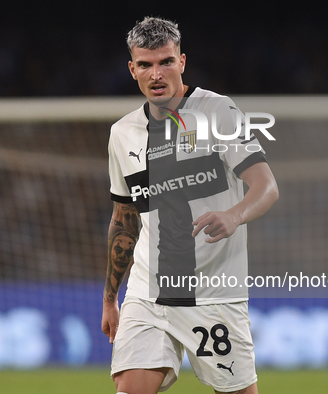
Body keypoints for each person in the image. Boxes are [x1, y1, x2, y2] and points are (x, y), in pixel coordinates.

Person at [101, 17, 279, 394]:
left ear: (182, 61)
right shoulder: (123, 134)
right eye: (146, 65)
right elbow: (124, 219)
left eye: (165, 61)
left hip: (213, 294)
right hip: (147, 293)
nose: (156, 73)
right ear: (132, 69)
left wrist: (234, 214)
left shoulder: (217, 111)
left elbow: (266, 186)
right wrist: (110, 298)